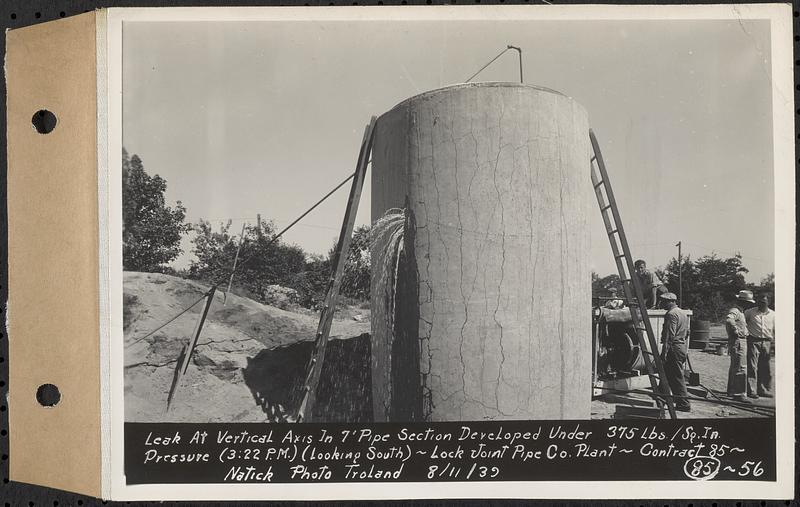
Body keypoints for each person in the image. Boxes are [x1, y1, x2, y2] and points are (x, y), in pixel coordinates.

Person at [658, 292, 691, 412]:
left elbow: (669, 335)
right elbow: (687, 332)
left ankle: (683, 403)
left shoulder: (671, 314)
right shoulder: (682, 313)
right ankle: (662, 398)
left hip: (674, 348)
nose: (662, 303)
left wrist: (664, 352)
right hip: (681, 346)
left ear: (671, 301)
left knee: (676, 377)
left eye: (664, 301)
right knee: (666, 374)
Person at [725, 290, 754, 401]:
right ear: (743, 302)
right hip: (739, 341)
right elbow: (729, 320)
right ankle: (739, 394)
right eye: (748, 302)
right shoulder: (735, 311)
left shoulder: (740, 311)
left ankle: (731, 391)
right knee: (741, 367)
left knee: (735, 366)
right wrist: (736, 330)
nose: (749, 304)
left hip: (739, 341)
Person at [744, 293, 775, 399]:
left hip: (767, 342)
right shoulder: (750, 312)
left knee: (765, 367)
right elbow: (742, 323)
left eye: (764, 302)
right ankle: (751, 390)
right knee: (752, 366)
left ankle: (762, 389)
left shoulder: (773, 315)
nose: (761, 304)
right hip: (753, 341)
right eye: (760, 302)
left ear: (768, 302)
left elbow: (776, 329)